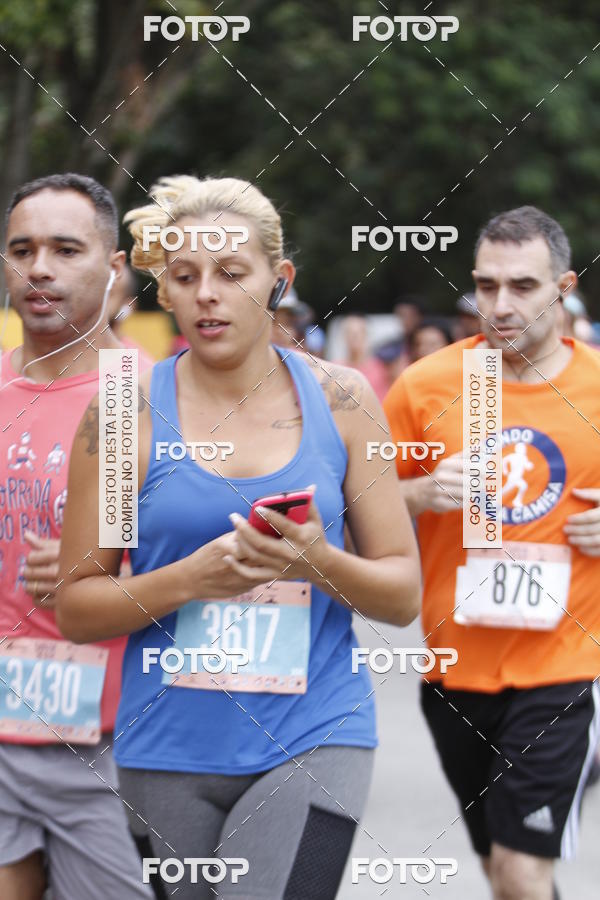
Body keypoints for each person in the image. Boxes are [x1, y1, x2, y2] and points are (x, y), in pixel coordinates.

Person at [55, 174, 422, 900]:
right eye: (185, 277)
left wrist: (315, 561)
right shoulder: (122, 415)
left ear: (278, 280)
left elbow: (402, 594)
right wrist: (192, 578)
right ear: (164, 290)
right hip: (165, 748)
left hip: (316, 733)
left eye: (231, 273)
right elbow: (77, 606)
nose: (207, 295)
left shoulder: (342, 398)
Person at [384, 205, 600, 900]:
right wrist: (418, 496)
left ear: (563, 286)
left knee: (520, 871)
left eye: (523, 287)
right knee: (500, 873)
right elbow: (357, 505)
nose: (500, 306)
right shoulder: (428, 386)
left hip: (563, 668)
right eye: (486, 286)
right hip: (454, 674)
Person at [0, 174, 153, 899]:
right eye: (22, 250)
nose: (39, 269)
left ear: (115, 266)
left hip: (112, 744)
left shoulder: (141, 397)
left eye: (65, 249)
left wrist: (93, 570)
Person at [336, 314, 389, 401]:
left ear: (365, 335)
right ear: (344, 336)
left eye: (358, 332)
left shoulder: (382, 368)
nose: (354, 337)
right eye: (350, 332)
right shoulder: (335, 368)